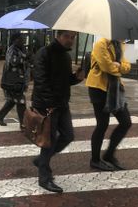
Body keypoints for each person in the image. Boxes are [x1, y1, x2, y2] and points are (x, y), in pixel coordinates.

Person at [31, 30, 85, 193]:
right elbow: (40, 81)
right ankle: (44, 177)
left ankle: (41, 160)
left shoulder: (66, 56)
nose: (71, 40)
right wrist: (49, 103)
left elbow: (65, 81)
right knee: (49, 141)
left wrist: (77, 78)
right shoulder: (44, 53)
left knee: (68, 136)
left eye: (73, 37)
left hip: (62, 104)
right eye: (67, 36)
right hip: (47, 105)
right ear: (58, 36)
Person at [86, 38, 132, 171]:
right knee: (102, 124)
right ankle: (95, 160)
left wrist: (119, 65)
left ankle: (109, 155)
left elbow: (127, 66)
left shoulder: (121, 45)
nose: (125, 35)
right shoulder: (101, 44)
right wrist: (118, 66)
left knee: (126, 122)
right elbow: (106, 66)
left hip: (115, 88)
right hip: (98, 88)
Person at [0, 33, 30, 127]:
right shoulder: (12, 49)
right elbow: (13, 62)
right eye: (19, 39)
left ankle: (0, 116)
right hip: (13, 81)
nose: (22, 41)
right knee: (21, 101)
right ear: (14, 40)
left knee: (12, 100)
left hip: (20, 80)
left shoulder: (22, 49)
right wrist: (25, 57)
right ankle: (23, 124)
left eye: (22, 39)